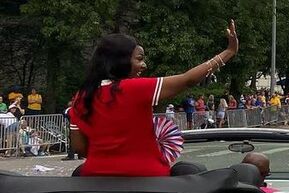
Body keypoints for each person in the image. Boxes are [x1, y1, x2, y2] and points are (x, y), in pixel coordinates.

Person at [69, 21, 239, 177]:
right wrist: (229, 52)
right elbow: (188, 79)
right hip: (146, 179)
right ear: (120, 60)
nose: (144, 65)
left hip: (94, 180)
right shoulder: (134, 88)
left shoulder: (81, 97)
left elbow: (80, 148)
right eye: (139, 59)